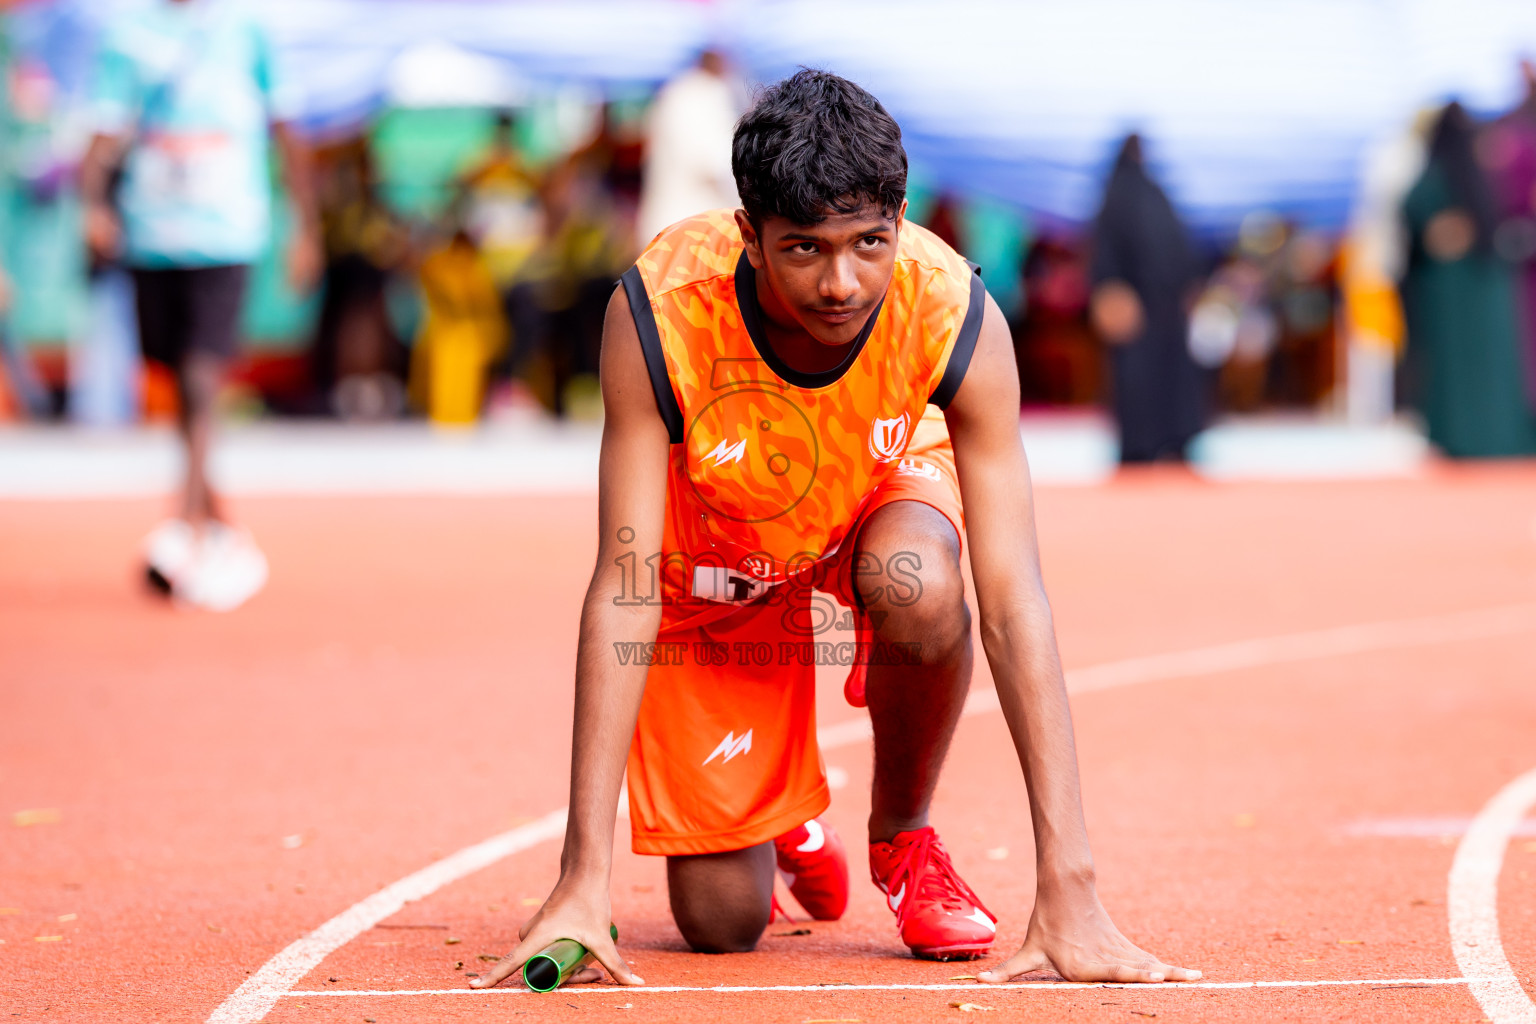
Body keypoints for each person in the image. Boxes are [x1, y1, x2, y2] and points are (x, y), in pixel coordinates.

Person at [473, 71, 1198, 988]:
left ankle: (902, 839)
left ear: (902, 217)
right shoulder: (658, 313)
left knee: (923, 582)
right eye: (804, 249)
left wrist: (1072, 884)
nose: (841, 282)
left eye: (869, 243)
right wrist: (582, 881)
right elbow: (621, 592)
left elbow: (1016, 602)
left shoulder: (951, 312)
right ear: (749, 235)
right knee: (722, 923)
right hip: (720, 559)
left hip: (870, 496)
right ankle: (784, 816)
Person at [79, 0, 319, 609]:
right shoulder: (126, 36)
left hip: (227, 231)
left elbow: (288, 131)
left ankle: (183, 527)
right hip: (152, 234)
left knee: (200, 369)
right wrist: (95, 206)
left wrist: (306, 230)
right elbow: (105, 131)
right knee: (176, 379)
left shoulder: (249, 31)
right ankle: (224, 528)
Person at [1400, 102, 1536, 458]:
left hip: (1456, 289)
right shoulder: (1471, 176)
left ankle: (1468, 437)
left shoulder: (1438, 175)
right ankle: (1491, 437)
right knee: (1484, 369)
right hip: (1477, 287)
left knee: (1467, 371)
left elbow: (1419, 219)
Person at [1088, 134, 1207, 464]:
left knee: (1166, 375)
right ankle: (1145, 445)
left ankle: (1168, 441)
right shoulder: (1133, 196)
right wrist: (1111, 290)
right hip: (1137, 305)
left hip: (1163, 306)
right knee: (1140, 377)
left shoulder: (1133, 194)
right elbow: (1108, 255)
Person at [636, 49, 740, 244]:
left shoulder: (675, 92)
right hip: (690, 231)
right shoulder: (703, 94)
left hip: (671, 226)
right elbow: (718, 162)